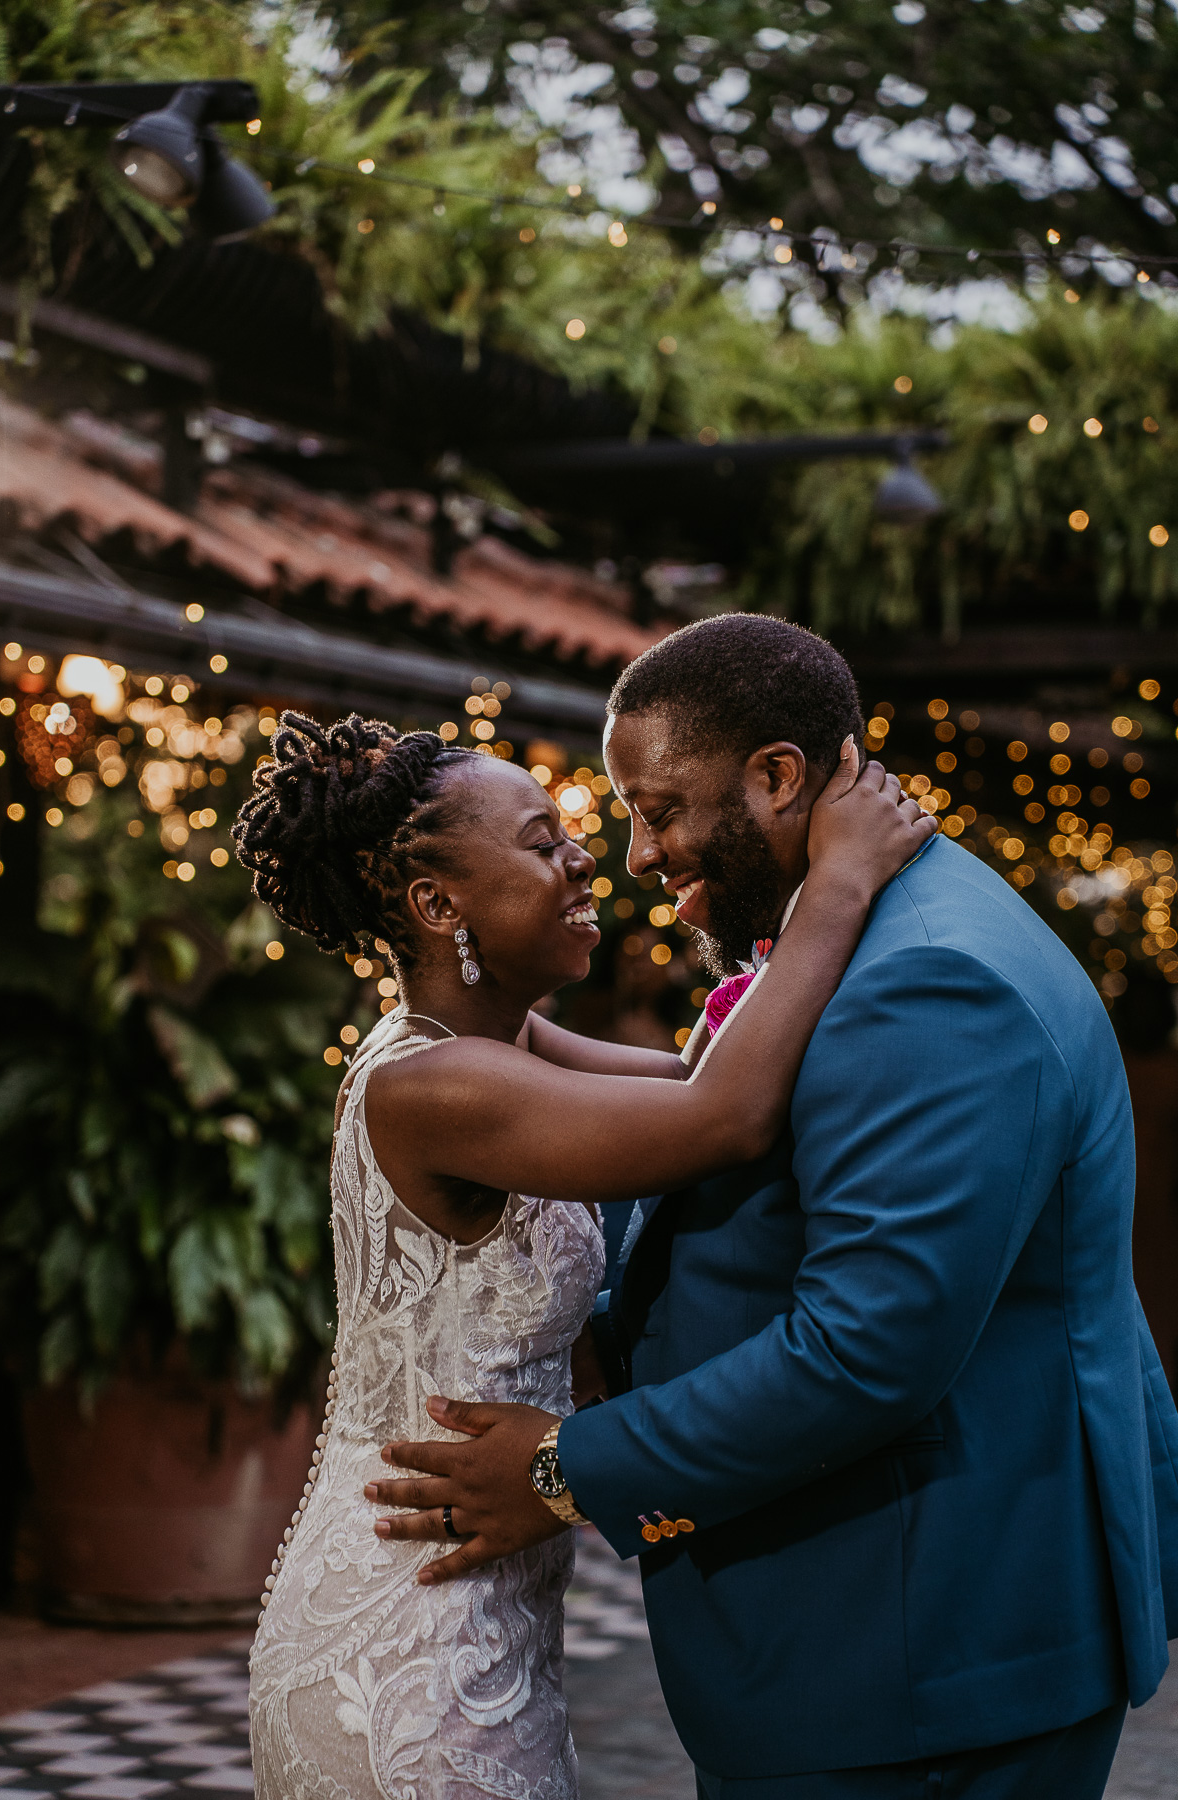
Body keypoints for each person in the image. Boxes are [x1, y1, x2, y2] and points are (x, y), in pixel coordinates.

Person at [367, 614, 1178, 1800]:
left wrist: (565, 1469)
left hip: (926, 1647)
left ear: (779, 777)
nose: (638, 854)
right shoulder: (849, 939)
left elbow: (866, 1349)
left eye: (658, 808)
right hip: (869, 1631)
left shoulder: (925, 980)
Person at [236, 706, 932, 1800]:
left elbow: (694, 1072)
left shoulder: (498, 1040)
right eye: (540, 841)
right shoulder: (436, 1084)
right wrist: (837, 886)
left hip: (486, 1593)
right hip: (406, 1630)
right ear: (436, 903)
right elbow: (726, 1116)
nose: (583, 862)